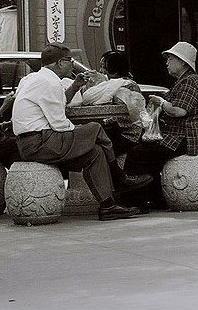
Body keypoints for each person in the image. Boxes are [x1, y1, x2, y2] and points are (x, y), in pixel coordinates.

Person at [10, 42, 153, 221]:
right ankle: (120, 177)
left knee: (96, 152)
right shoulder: (49, 83)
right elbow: (60, 124)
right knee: (95, 128)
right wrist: (83, 132)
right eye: (70, 60)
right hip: (40, 142)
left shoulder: (32, 79)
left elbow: (61, 102)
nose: (72, 64)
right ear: (60, 62)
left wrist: (75, 86)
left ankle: (108, 206)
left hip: (30, 142)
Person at [122, 41, 198, 210]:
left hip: (186, 137)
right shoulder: (184, 81)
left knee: (136, 155)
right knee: (147, 155)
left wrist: (162, 103)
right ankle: (156, 199)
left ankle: (135, 201)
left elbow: (179, 111)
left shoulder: (190, 81)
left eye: (170, 58)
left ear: (183, 62)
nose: (167, 62)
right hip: (179, 135)